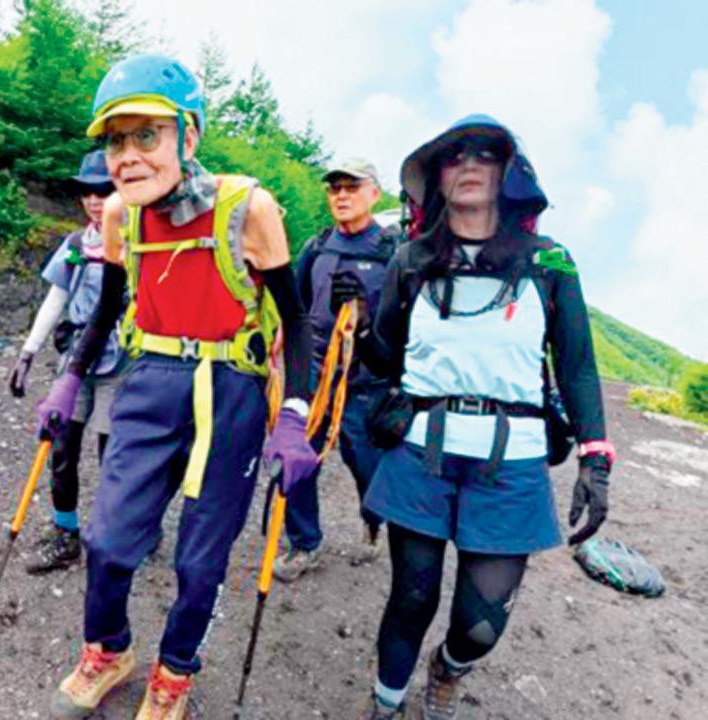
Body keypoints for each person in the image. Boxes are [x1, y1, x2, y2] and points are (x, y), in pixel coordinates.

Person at [34, 53, 316, 719]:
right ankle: (108, 650)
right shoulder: (120, 217)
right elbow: (107, 309)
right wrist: (69, 380)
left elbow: (297, 320)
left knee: (200, 560)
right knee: (108, 541)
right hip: (150, 380)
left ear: (188, 135)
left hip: (231, 388)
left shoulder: (249, 208)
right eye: (115, 141)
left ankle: (175, 675)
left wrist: (294, 415)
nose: (127, 157)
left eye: (146, 135)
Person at [350, 115, 614, 719]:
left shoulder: (552, 262)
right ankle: (386, 705)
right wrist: (361, 325)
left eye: (485, 154)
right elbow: (385, 358)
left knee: (481, 622)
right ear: (437, 177)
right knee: (410, 598)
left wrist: (596, 457)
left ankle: (449, 668)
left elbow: (576, 364)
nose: (469, 164)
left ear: (510, 171)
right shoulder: (411, 260)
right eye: (454, 155)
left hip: (512, 462)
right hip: (420, 451)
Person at [275, 158, 401, 581]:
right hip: (313, 375)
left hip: (365, 381)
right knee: (296, 457)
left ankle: (373, 520)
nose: (342, 195)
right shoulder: (318, 247)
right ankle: (304, 543)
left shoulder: (392, 252)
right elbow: (296, 307)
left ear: (374, 194)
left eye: (352, 187)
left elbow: (402, 322)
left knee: (365, 464)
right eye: (335, 188)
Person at [8, 150, 121, 575]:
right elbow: (55, 300)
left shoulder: (136, 244)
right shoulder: (76, 245)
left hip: (121, 363)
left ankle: (118, 533)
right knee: (61, 446)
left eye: (103, 192)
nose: (94, 201)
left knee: (114, 456)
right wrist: (28, 352)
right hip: (75, 359)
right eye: (87, 193)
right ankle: (66, 532)